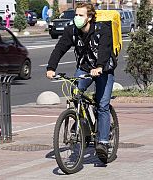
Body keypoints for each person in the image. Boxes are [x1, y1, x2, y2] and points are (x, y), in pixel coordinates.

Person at [46, 2, 115, 161]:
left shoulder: (102, 30)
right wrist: (51, 67)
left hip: (103, 69)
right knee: (75, 92)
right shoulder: (72, 30)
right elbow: (60, 48)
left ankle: (103, 142)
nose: (77, 18)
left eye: (80, 15)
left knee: (102, 105)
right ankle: (81, 122)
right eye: (76, 15)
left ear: (90, 17)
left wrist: (99, 67)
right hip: (84, 68)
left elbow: (104, 50)